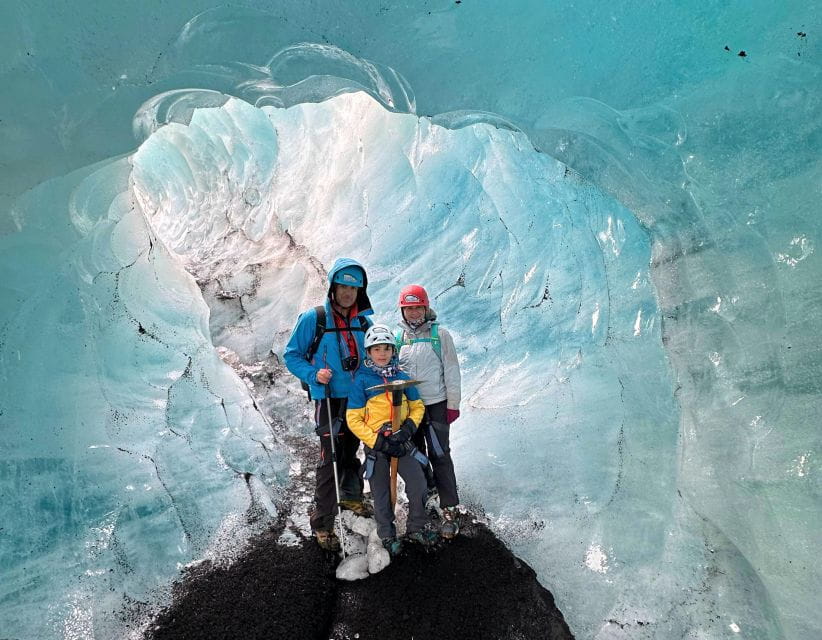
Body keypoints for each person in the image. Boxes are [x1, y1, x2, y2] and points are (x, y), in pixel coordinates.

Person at [283, 257, 373, 551]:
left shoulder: (363, 323)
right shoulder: (315, 319)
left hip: (357, 399)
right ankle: (322, 522)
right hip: (328, 398)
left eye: (354, 288)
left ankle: (350, 496)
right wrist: (313, 375)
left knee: (351, 450)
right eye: (343, 286)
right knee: (329, 457)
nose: (348, 293)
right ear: (333, 287)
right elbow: (292, 355)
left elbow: (375, 356)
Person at [346, 324, 439, 555]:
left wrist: (408, 428)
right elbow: (353, 418)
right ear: (368, 352)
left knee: (418, 483)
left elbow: (417, 406)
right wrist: (377, 442)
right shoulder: (362, 382)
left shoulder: (402, 377)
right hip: (377, 446)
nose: (382, 353)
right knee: (381, 492)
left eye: (387, 348)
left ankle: (416, 527)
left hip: (402, 443)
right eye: (377, 349)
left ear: (393, 351)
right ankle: (387, 535)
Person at [395, 284, 462, 538]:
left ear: (426, 308)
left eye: (417, 307)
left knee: (440, 455)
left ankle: (450, 508)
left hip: (435, 404)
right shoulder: (398, 338)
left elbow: (452, 371)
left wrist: (452, 404)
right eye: (408, 308)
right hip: (410, 409)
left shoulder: (439, 335)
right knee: (415, 455)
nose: (413, 313)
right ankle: (428, 493)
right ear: (402, 311)